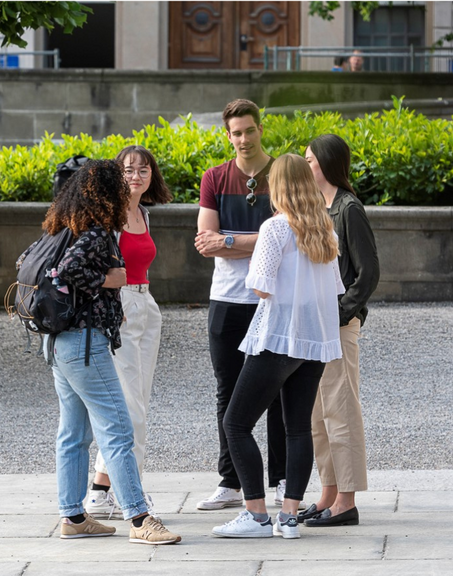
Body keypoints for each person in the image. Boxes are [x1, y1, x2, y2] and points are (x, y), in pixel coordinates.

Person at [17, 159, 181, 545]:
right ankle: (140, 519)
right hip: (85, 344)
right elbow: (71, 272)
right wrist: (112, 278)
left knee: (73, 433)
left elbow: (26, 262)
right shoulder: (95, 233)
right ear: (108, 193)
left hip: (57, 341)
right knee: (118, 429)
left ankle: (73, 516)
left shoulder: (59, 229)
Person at [211, 154, 344, 539]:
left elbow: (260, 286)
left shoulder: (275, 229)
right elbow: (334, 289)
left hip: (278, 337)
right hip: (314, 341)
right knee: (297, 428)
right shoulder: (326, 229)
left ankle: (255, 514)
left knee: (235, 423)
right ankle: (288, 518)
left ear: (278, 186)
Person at [194, 99, 295, 511]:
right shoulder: (214, 178)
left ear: (260, 129)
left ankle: (281, 478)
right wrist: (261, 240)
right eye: (235, 132)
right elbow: (205, 241)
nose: (243, 139)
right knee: (227, 390)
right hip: (226, 300)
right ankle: (230, 481)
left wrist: (230, 241)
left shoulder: (283, 175)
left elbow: (292, 233)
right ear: (228, 135)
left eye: (249, 130)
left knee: (276, 391)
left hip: (271, 297)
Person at [85, 146, 173, 518]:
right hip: (118, 311)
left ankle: (99, 492)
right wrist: (111, 305)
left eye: (143, 169)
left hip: (145, 307)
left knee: (138, 402)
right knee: (129, 409)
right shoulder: (109, 216)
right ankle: (129, 492)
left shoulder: (143, 214)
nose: (136, 175)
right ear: (116, 175)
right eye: (128, 169)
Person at [299, 134, 380, 527]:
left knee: (341, 410)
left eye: (310, 160)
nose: (305, 166)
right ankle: (328, 493)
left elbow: (368, 273)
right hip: (315, 327)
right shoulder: (317, 207)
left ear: (327, 163)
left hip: (338, 326)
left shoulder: (349, 209)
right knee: (318, 414)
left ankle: (346, 501)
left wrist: (341, 313)